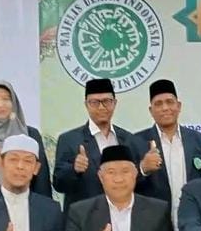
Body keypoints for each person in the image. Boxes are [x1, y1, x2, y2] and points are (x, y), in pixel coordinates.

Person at [53, 78, 145, 209]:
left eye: (106, 101)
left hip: (123, 215)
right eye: (95, 102)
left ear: (114, 103)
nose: (101, 107)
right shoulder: (69, 140)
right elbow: (59, 184)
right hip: (85, 217)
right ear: (86, 104)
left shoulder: (129, 139)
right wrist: (74, 169)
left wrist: (144, 169)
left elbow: (137, 184)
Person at [134, 79, 201, 231]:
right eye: (158, 104)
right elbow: (125, 183)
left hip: (194, 225)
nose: (165, 108)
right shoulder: (137, 142)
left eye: (170, 102)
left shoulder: (198, 140)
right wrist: (142, 169)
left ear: (179, 106)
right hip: (154, 228)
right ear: (151, 110)